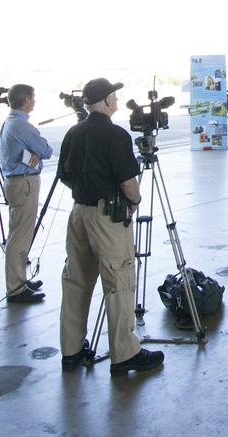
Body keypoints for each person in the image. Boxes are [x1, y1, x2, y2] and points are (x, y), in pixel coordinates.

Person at [56, 77, 163, 376]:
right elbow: (128, 183)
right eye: (113, 97)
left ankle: (71, 350)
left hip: (78, 213)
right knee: (118, 282)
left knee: (76, 281)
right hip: (107, 217)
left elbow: (64, 174)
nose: (116, 101)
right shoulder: (116, 136)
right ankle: (125, 353)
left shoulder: (73, 133)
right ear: (104, 101)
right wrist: (136, 199)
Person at [0, 83, 52, 304]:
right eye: (33, 97)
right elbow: (46, 151)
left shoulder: (10, 122)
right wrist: (39, 153)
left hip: (16, 182)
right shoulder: (22, 126)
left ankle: (19, 279)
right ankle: (16, 288)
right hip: (23, 183)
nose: (35, 101)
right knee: (20, 237)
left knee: (19, 233)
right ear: (26, 100)